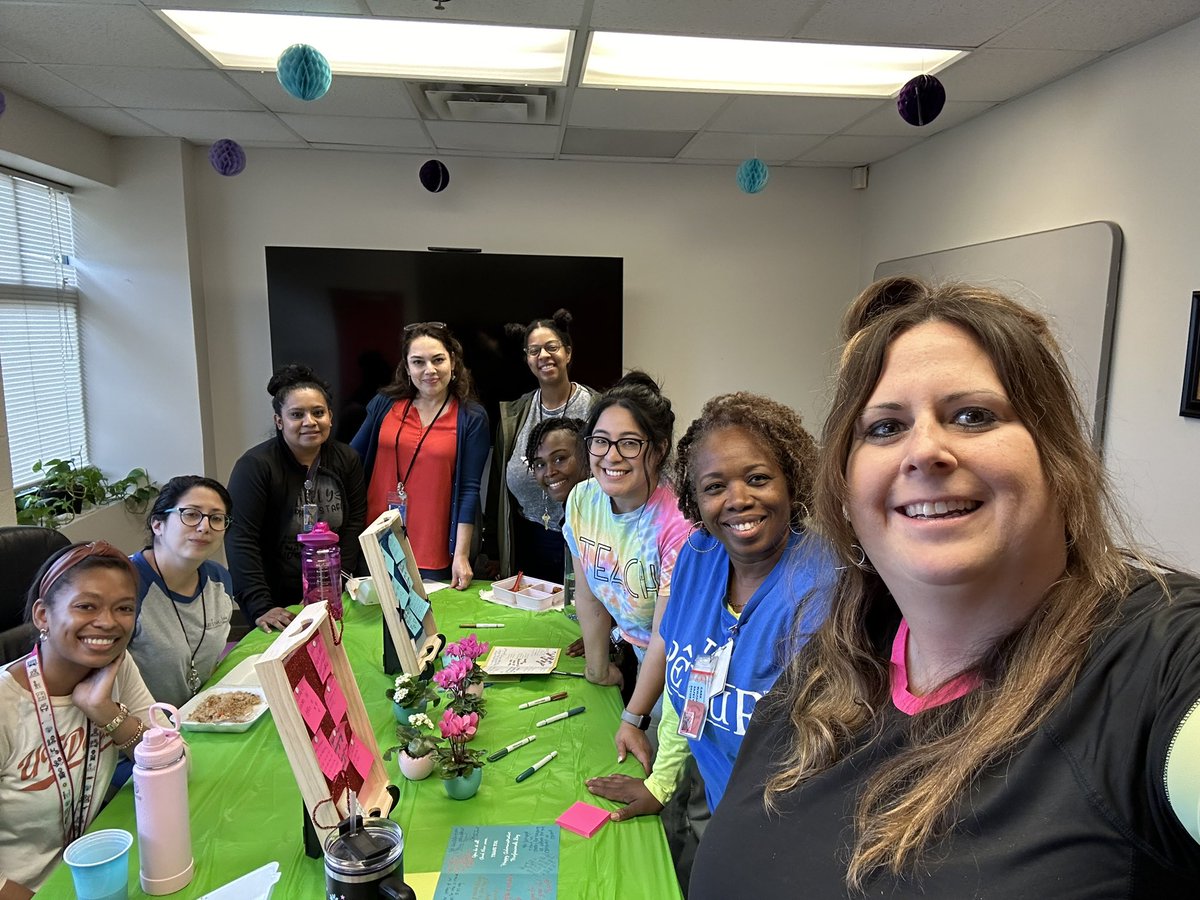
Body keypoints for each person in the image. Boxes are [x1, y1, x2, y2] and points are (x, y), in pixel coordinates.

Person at [691, 277, 1200, 897]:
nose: (925, 450)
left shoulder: (1153, 664)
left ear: (1057, 457)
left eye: (973, 416)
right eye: (884, 427)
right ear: (846, 488)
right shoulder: (832, 663)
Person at [586, 393, 832, 885]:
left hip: (803, 852)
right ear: (694, 500)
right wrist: (659, 783)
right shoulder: (699, 556)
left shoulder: (828, 591)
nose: (738, 499)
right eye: (715, 486)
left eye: (758, 478)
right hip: (727, 822)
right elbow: (690, 678)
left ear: (792, 482)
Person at [0, 542, 154, 898]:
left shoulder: (114, 667)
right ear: (42, 616)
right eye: (86, 606)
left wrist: (104, 710)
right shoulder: (7, 703)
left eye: (124, 608)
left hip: (89, 872)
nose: (107, 622)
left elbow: (177, 760)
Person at [562, 371, 690, 772]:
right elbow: (588, 595)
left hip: (686, 670)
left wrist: (634, 717)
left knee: (669, 781)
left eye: (629, 443)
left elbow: (666, 637)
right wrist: (598, 669)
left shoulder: (678, 523)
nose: (611, 456)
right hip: (637, 651)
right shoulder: (583, 500)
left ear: (658, 448)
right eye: (600, 441)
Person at [227, 364, 367, 632]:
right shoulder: (255, 466)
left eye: (318, 413)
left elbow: (354, 524)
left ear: (330, 417)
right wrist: (261, 605)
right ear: (279, 421)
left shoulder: (347, 459)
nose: (309, 422)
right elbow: (241, 538)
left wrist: (339, 580)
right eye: (296, 414)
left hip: (333, 591)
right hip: (276, 600)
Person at [351, 323, 489, 588]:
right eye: (418, 362)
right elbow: (351, 459)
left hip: (432, 547)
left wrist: (460, 555)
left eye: (438, 360)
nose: (429, 370)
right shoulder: (385, 404)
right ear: (406, 366)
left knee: (427, 624)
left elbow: (470, 491)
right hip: (376, 537)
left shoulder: (471, 417)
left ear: (453, 361)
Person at [494, 310, 598, 580]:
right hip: (525, 543)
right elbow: (497, 490)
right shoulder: (514, 415)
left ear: (568, 353)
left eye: (551, 347)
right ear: (527, 360)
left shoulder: (597, 409)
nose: (543, 356)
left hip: (587, 541)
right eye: (534, 350)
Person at [127, 476, 236, 707]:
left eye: (216, 518)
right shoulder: (125, 585)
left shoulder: (219, 579)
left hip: (202, 717)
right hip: (145, 731)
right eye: (191, 514)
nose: (204, 527)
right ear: (158, 524)